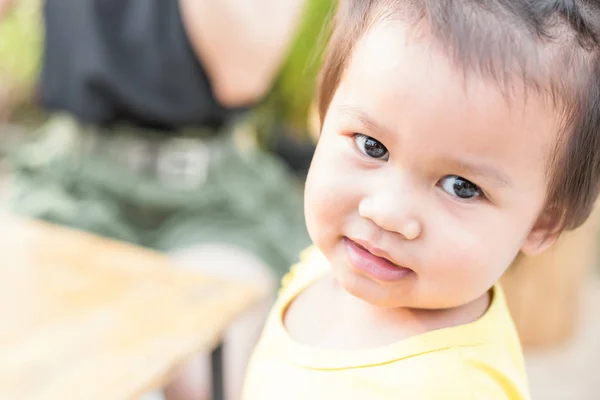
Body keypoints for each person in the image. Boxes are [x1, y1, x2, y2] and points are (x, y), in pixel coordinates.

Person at [242, 1, 600, 399]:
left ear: (543, 224)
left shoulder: (453, 387)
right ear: (323, 113)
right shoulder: (330, 264)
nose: (387, 213)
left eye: (460, 187)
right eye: (372, 146)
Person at [1, 1, 311, 399]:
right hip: (73, 182)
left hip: (210, 198)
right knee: (45, 360)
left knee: (201, 373)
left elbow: (241, 74)